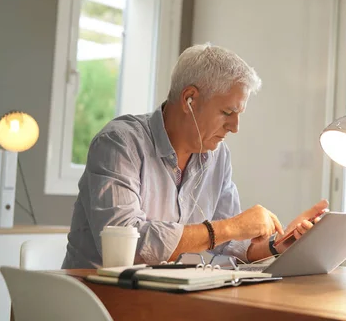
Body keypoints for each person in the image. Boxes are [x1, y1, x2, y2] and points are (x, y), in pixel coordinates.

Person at [62, 43, 328, 269]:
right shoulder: (119, 143)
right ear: (190, 99)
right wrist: (231, 227)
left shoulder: (217, 155)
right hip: (99, 302)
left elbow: (234, 246)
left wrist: (282, 242)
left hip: (167, 302)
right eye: (227, 112)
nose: (235, 127)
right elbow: (127, 248)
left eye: (239, 115)